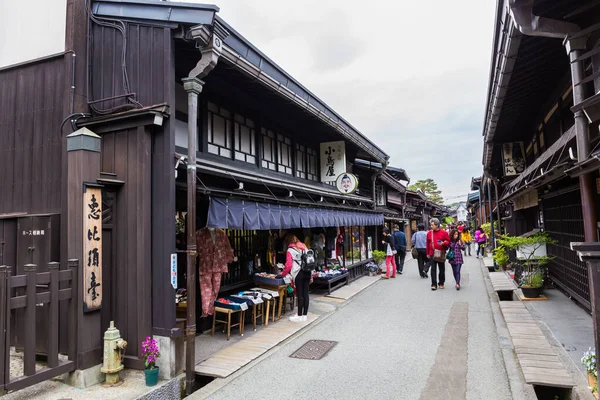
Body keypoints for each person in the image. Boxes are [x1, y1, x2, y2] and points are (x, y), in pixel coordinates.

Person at [280, 235, 310, 322]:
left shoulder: (290, 250)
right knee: (306, 294)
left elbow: (288, 265)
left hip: (298, 273)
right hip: (307, 272)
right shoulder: (304, 247)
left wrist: (283, 274)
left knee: (300, 295)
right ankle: (305, 315)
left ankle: (299, 315)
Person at [426, 218, 450, 291]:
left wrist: (443, 243)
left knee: (441, 269)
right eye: (431, 225)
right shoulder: (429, 233)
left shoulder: (444, 232)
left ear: (437, 225)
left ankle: (441, 283)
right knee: (433, 269)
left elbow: (448, 241)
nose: (431, 226)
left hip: (441, 253)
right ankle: (434, 284)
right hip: (432, 253)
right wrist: (427, 253)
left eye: (432, 225)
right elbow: (427, 243)